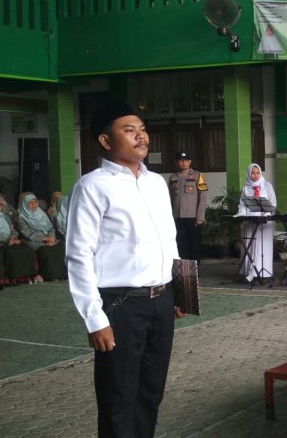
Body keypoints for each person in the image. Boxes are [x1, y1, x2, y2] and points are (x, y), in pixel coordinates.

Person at [66, 99, 184, 437]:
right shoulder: (92, 187)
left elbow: (169, 240)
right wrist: (94, 318)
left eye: (143, 130)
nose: (141, 137)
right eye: (129, 130)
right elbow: (78, 255)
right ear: (105, 141)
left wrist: (177, 292)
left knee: (150, 393)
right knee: (118, 397)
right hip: (121, 306)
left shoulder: (156, 183)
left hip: (161, 303)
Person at [238, 163, 276, 283]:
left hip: (264, 223)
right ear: (249, 174)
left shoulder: (267, 186)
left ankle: (263, 273)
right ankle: (250, 272)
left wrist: (267, 214)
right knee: (250, 246)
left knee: (262, 247)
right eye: (252, 173)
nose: (255, 176)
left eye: (257, 173)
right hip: (250, 221)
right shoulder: (246, 188)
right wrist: (241, 214)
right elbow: (242, 205)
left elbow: (272, 204)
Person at [168, 151, 208, 261]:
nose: (183, 162)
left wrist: (200, 217)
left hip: (193, 218)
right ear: (176, 162)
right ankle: (183, 273)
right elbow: (170, 199)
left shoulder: (199, 176)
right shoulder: (172, 177)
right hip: (177, 217)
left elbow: (203, 197)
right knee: (180, 245)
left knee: (194, 246)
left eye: (186, 160)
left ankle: (194, 273)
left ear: (190, 161)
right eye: (181, 160)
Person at [18, 193, 67, 281]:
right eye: (30, 203)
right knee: (46, 250)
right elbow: (26, 233)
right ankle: (49, 276)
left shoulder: (42, 214)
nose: (34, 205)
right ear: (25, 204)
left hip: (48, 238)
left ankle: (62, 274)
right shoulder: (21, 216)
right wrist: (44, 239)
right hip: (32, 241)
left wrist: (51, 238)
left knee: (60, 248)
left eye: (35, 202)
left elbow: (51, 228)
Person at [0, 211, 38, 286]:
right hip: (2, 242)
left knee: (27, 250)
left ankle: (23, 277)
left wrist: (13, 238)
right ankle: (11, 277)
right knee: (11, 252)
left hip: (9, 240)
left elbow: (13, 230)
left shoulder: (4, 217)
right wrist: (7, 240)